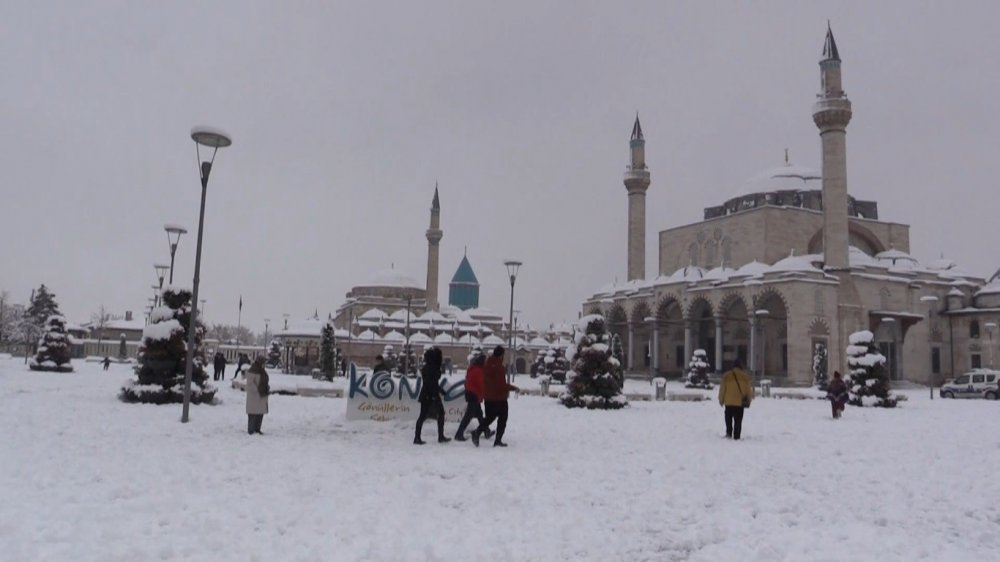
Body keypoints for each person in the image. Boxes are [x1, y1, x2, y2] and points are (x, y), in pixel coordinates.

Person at [473, 346, 519, 447]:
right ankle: (497, 440)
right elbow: (500, 385)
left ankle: (477, 432)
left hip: (488, 397)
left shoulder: (487, 364)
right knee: (503, 418)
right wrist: (512, 388)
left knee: (490, 417)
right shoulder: (499, 367)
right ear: (501, 355)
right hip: (499, 398)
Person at [414, 347, 450, 444]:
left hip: (426, 393)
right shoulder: (433, 368)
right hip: (431, 394)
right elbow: (432, 383)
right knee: (440, 414)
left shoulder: (427, 367)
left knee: (422, 416)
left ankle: (417, 437)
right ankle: (440, 436)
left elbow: (430, 382)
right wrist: (438, 392)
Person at [454, 354, 493, 442]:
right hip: (474, 395)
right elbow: (481, 385)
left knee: (479, 414)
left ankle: (486, 431)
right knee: (468, 416)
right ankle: (458, 434)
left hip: (471, 393)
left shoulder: (472, 368)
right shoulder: (479, 371)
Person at [718, 359, 753, 440]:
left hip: (728, 402)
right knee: (738, 420)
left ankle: (729, 433)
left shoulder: (726, 376)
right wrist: (749, 400)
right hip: (739, 402)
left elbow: (722, 389)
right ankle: (737, 435)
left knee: (728, 418)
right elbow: (748, 391)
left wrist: (721, 400)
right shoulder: (745, 377)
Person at [245, 356, 269, 435]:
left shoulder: (262, 371)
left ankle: (257, 429)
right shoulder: (252, 371)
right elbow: (250, 383)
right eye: (263, 362)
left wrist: (266, 387)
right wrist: (257, 390)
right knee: (253, 414)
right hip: (254, 396)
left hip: (262, 395)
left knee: (260, 413)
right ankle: (251, 429)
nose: (264, 364)